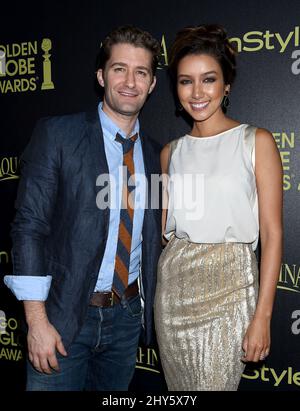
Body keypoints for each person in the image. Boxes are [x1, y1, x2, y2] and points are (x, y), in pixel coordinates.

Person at [4, 25, 162, 391]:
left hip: (126, 320)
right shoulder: (58, 135)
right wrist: (37, 322)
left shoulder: (156, 154)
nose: (130, 81)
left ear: (152, 84)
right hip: (62, 316)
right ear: (101, 75)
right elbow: (29, 228)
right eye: (119, 68)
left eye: (141, 72)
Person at [154, 24, 282, 391]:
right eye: (185, 81)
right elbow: (165, 232)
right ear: (176, 89)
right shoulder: (171, 153)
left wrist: (263, 315)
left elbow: (273, 234)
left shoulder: (255, 142)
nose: (196, 92)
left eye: (208, 79)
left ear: (226, 85)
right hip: (174, 291)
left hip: (230, 287)